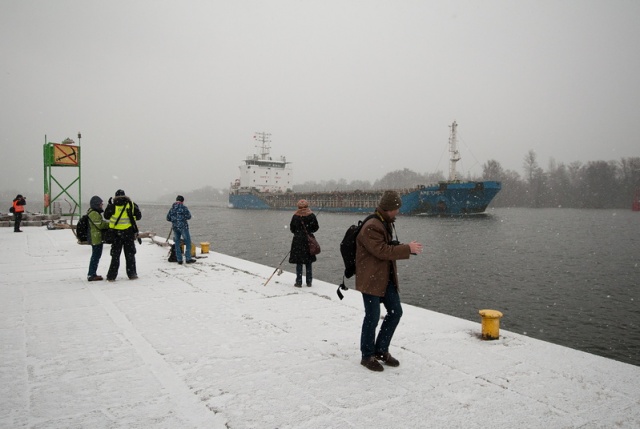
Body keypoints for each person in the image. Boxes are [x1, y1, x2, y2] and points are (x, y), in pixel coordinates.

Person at [356, 190, 423, 372]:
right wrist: (407, 249)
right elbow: (381, 251)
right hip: (370, 279)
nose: (398, 212)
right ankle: (367, 355)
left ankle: (381, 350)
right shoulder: (372, 225)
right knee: (372, 317)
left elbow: (385, 247)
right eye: (396, 209)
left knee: (396, 312)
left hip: (385, 278)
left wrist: (401, 247)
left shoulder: (385, 222)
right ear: (388, 208)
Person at [104, 189, 142, 281]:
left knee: (115, 256)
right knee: (130, 255)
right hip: (128, 233)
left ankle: (111, 276)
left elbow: (106, 216)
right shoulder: (132, 205)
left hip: (116, 234)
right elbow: (139, 216)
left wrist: (109, 205)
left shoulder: (113, 205)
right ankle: (132, 274)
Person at [288, 199, 319, 287]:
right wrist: (309, 231)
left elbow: (292, 229)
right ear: (307, 206)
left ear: (298, 206)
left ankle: (298, 282)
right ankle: (309, 282)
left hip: (298, 241)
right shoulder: (311, 215)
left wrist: (298, 233)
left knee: (299, 262)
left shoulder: (295, 216)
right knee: (308, 262)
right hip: (308, 241)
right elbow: (316, 227)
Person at [166, 195, 195, 265]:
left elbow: (168, 218)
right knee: (188, 242)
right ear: (182, 201)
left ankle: (179, 259)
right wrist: (182, 219)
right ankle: (188, 258)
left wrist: (174, 220)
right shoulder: (184, 208)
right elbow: (189, 216)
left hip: (175, 227)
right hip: (183, 227)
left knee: (177, 243)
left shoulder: (172, 208)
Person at [86, 196, 110, 281]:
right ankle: (91, 274)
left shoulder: (93, 212)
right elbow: (100, 225)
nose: (101, 206)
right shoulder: (94, 213)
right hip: (95, 237)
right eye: (100, 204)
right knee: (95, 256)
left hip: (96, 237)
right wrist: (110, 224)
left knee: (96, 256)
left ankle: (92, 274)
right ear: (96, 204)